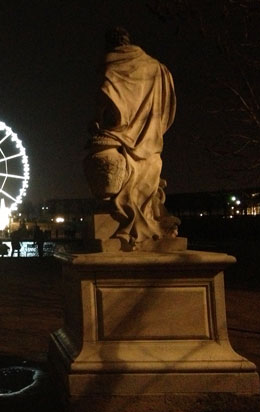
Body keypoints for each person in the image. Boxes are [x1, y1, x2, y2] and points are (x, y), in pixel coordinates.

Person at [85, 27, 179, 247]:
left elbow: (107, 102)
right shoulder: (157, 68)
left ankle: (126, 220)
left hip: (120, 137)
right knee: (147, 179)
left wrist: (98, 124)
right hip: (150, 138)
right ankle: (148, 216)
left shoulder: (112, 65)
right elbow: (167, 107)